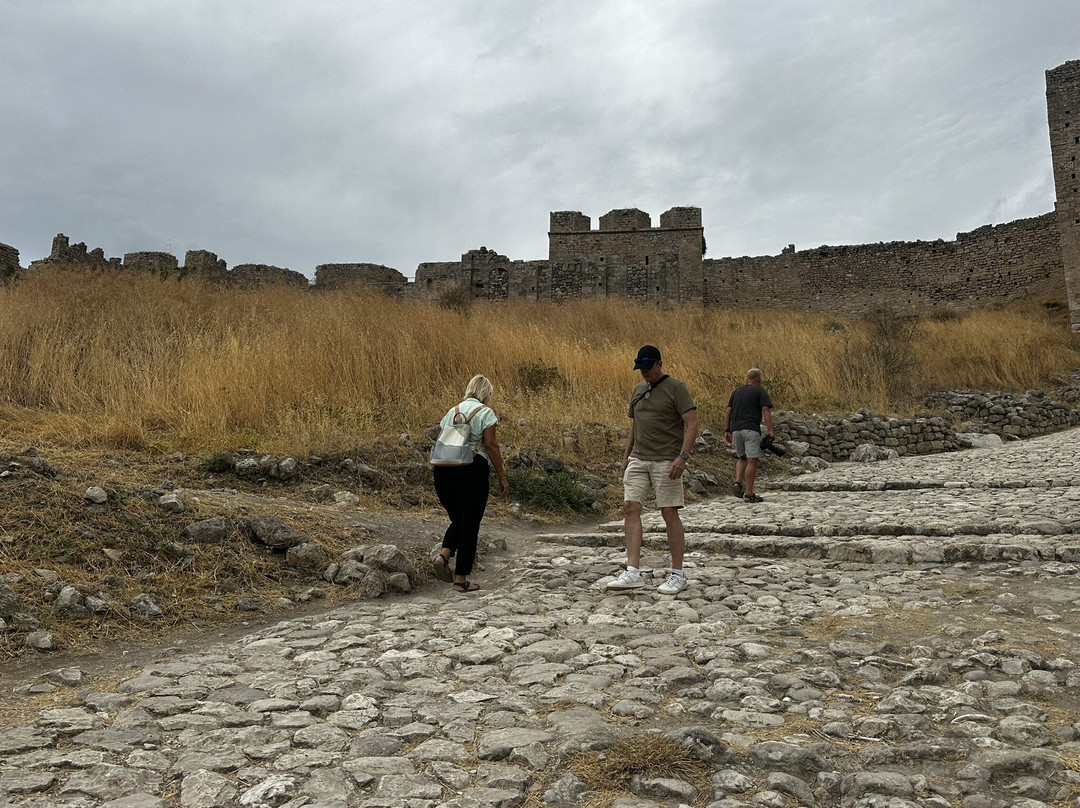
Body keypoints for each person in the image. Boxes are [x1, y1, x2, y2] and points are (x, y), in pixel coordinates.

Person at [607, 345, 699, 595]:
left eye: (648, 368)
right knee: (630, 507)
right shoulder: (638, 390)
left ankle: (678, 573)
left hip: (666, 460)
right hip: (639, 458)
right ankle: (632, 571)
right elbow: (635, 426)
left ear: (659, 364)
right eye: (641, 369)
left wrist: (683, 457)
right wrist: (626, 455)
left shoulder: (676, 388)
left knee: (669, 511)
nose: (644, 373)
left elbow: (691, 424)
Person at [432, 374, 509, 593]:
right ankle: (460, 580)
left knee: (458, 519)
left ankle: (443, 555)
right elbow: (491, 445)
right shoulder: (486, 413)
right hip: (472, 470)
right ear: (487, 393)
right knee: (470, 524)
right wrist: (502, 476)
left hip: (443, 470)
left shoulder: (451, 412)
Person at [725, 368, 774, 503]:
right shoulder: (760, 391)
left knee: (742, 458)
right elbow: (766, 411)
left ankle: (738, 482)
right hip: (751, 429)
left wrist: (727, 430)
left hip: (736, 430)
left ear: (747, 378)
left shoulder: (736, 392)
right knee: (752, 460)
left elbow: (728, 411)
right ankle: (749, 493)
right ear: (759, 379)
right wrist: (770, 430)